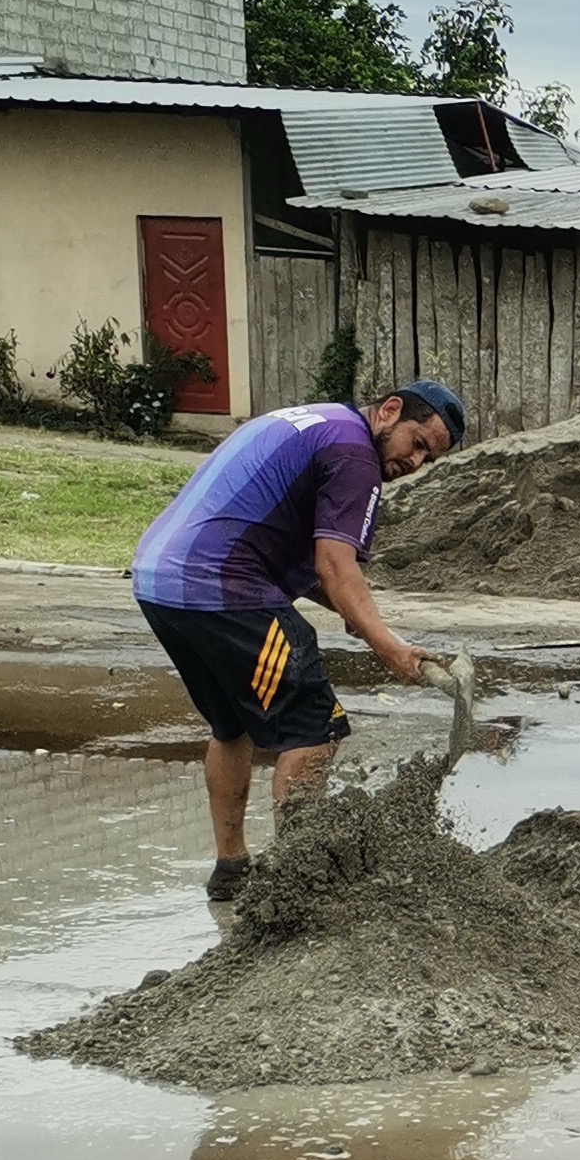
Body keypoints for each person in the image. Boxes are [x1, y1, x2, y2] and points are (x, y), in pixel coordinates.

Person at [130, 381, 464, 899]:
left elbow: (305, 563)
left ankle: (231, 870)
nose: (415, 462)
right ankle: (298, 884)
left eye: (429, 458)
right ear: (390, 411)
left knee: (231, 724)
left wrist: (364, 622)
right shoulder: (356, 456)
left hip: (160, 581)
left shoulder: (324, 422)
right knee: (314, 725)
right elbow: (334, 566)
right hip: (221, 583)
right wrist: (390, 650)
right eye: (417, 443)